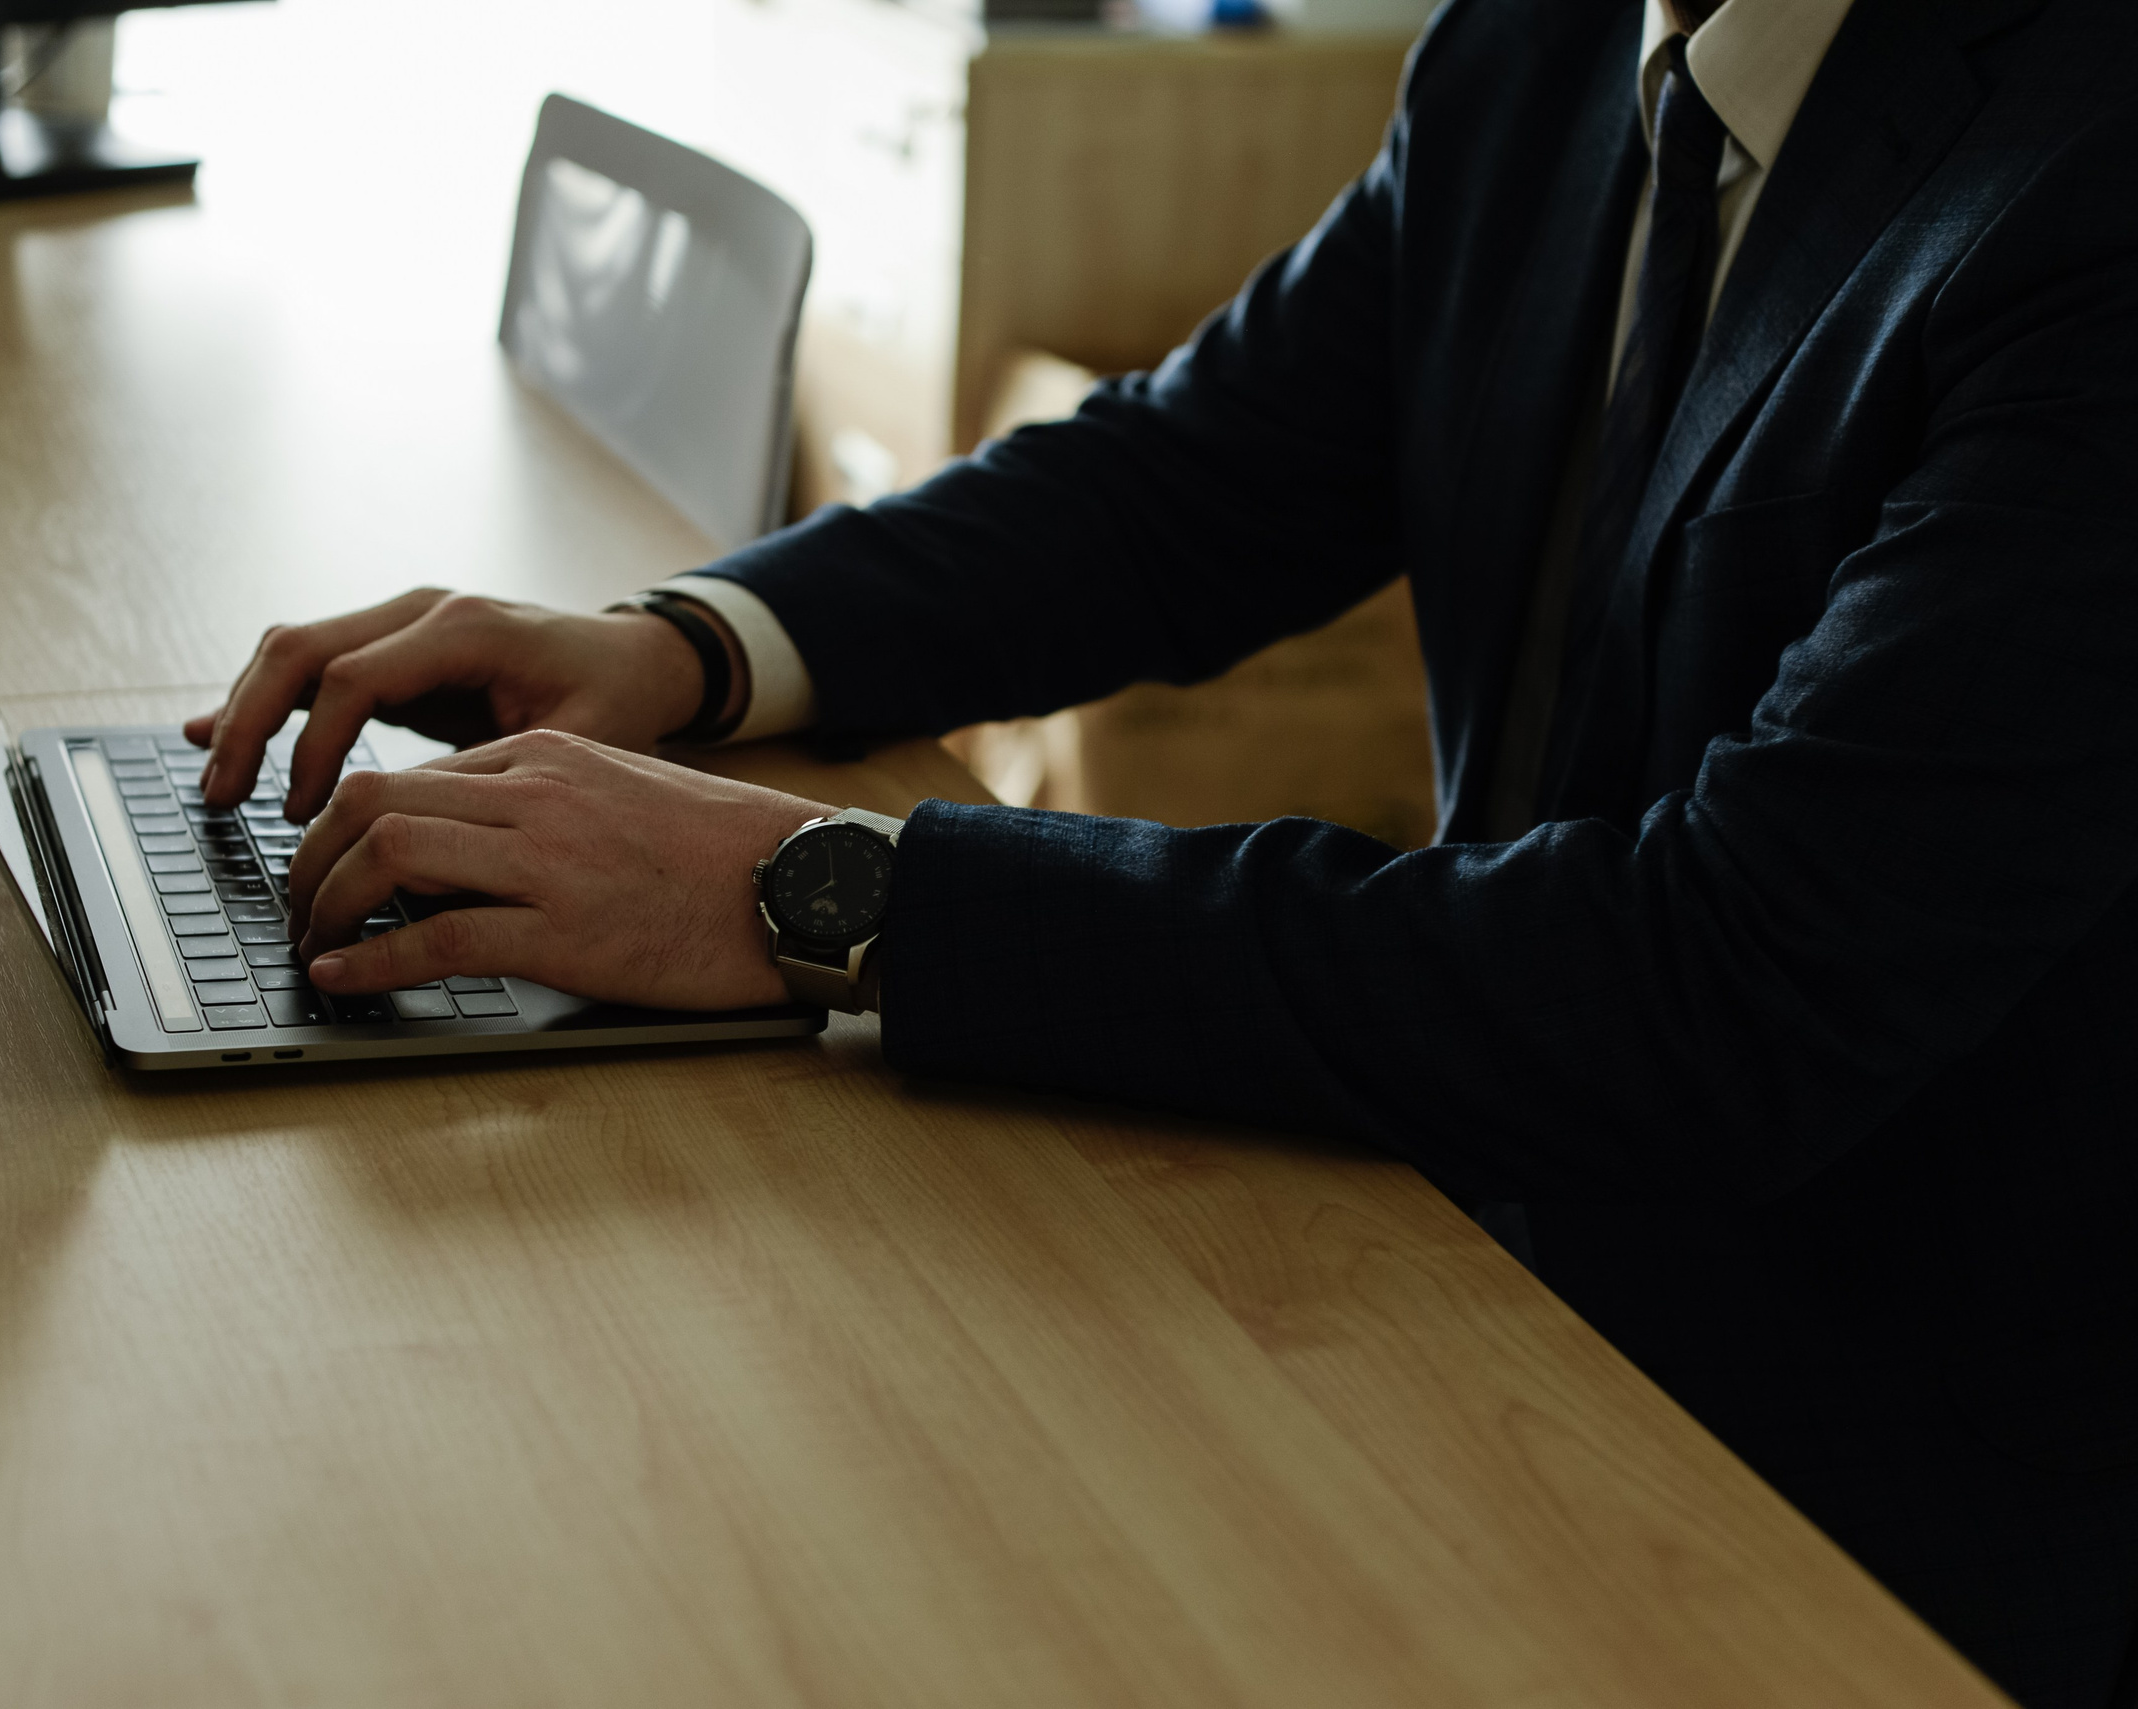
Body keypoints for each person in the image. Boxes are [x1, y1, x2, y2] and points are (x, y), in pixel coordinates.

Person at [189, 0, 2138, 1701]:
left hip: (1880, 1484)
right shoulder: (1544, 44)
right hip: (1474, 1258)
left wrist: (822, 891)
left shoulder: (2077, 182)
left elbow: (1709, 987)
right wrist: (685, 648)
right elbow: (1196, 477)